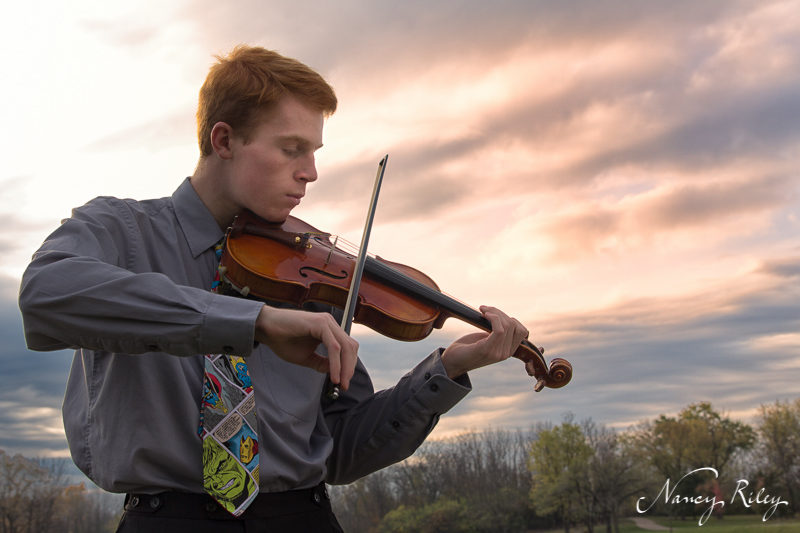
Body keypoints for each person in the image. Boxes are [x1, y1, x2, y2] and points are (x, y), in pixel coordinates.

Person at [18, 45, 530, 532]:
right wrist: (254, 323)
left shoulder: (310, 272)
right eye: (291, 149)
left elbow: (342, 448)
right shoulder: (120, 231)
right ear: (224, 141)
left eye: (314, 152)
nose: (311, 173)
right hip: (167, 523)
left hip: (303, 519)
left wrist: (446, 370)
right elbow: (46, 293)